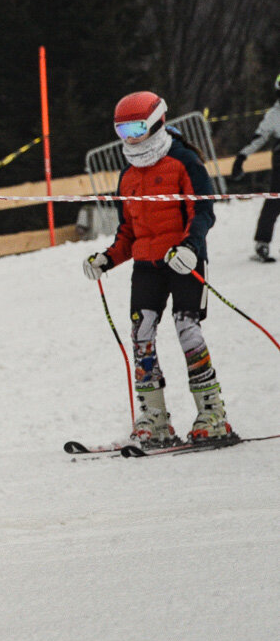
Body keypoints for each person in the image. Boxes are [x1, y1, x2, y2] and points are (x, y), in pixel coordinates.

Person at [82, 91, 232, 447]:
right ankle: (154, 417)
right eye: (123, 131)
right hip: (146, 266)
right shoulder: (127, 175)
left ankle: (212, 413)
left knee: (187, 328)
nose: (131, 138)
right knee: (141, 334)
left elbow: (203, 211)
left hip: (182, 261)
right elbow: (128, 232)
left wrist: (191, 247)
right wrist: (106, 259)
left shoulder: (183, 161)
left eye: (137, 129)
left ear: (155, 122)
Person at [229, 73, 280, 263]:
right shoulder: (274, 114)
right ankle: (262, 242)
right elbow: (259, 138)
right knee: (275, 201)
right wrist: (242, 157)